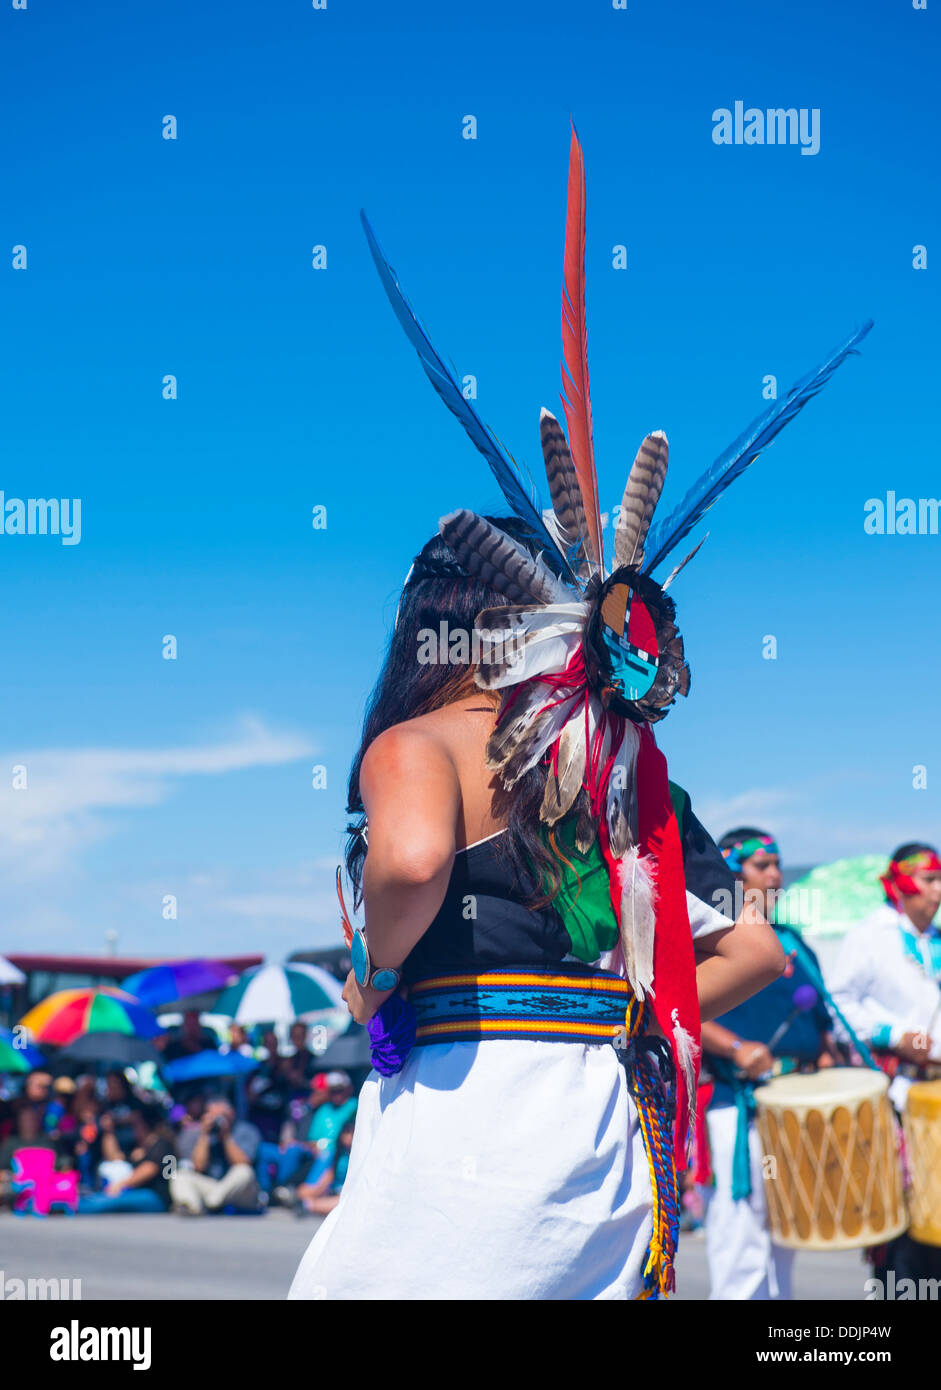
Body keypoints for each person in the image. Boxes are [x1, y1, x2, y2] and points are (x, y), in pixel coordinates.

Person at [288, 128, 866, 1301]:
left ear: (439, 625)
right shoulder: (624, 761)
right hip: (596, 1130)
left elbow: (404, 863)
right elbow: (755, 941)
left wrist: (372, 966)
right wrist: (622, 1012)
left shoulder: (419, 744)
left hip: (464, 1129)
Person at [697, 828, 838, 1300]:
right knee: (741, 1244)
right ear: (733, 872)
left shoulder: (795, 945)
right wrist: (736, 1048)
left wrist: (828, 1067)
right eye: (763, 865)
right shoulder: (708, 941)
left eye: (778, 864)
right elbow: (681, 1011)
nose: (776, 874)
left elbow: (821, 1029)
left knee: (784, 1244)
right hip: (738, 1107)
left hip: (792, 1111)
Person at [829, 841, 941, 1284]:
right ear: (900, 882)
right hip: (897, 1098)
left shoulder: (934, 940)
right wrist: (894, 1036)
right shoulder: (871, 935)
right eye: (930, 880)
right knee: (904, 1224)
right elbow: (837, 1006)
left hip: (934, 1098)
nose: (937, 892)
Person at [76, 1103, 176, 1214]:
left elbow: (150, 1169)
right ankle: (70, 1204)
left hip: (157, 1197)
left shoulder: (162, 1144)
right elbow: (114, 1157)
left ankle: (74, 1208)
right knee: (100, 1198)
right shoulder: (140, 1147)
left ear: (145, 1124)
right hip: (139, 1192)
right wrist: (109, 1131)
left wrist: (121, 1184)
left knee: (108, 1202)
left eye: (135, 1123)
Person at [169, 1096, 261, 1215]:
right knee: (180, 1175)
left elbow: (242, 1162)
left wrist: (226, 1137)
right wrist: (204, 1135)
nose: (217, 1121)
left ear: (231, 1113)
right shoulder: (200, 1133)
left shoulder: (246, 1131)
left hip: (241, 1192)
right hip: (216, 1187)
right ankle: (190, 1206)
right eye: (213, 1116)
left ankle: (210, 1203)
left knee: (244, 1171)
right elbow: (198, 1167)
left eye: (221, 1116)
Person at [295, 1119, 355, 1216]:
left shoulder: (356, 1157)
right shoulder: (337, 1155)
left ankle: (310, 1206)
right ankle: (311, 1204)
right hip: (332, 1191)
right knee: (303, 1191)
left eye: (352, 1133)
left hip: (345, 1193)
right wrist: (315, 1190)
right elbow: (328, 1177)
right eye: (346, 1132)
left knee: (340, 1202)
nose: (348, 1137)